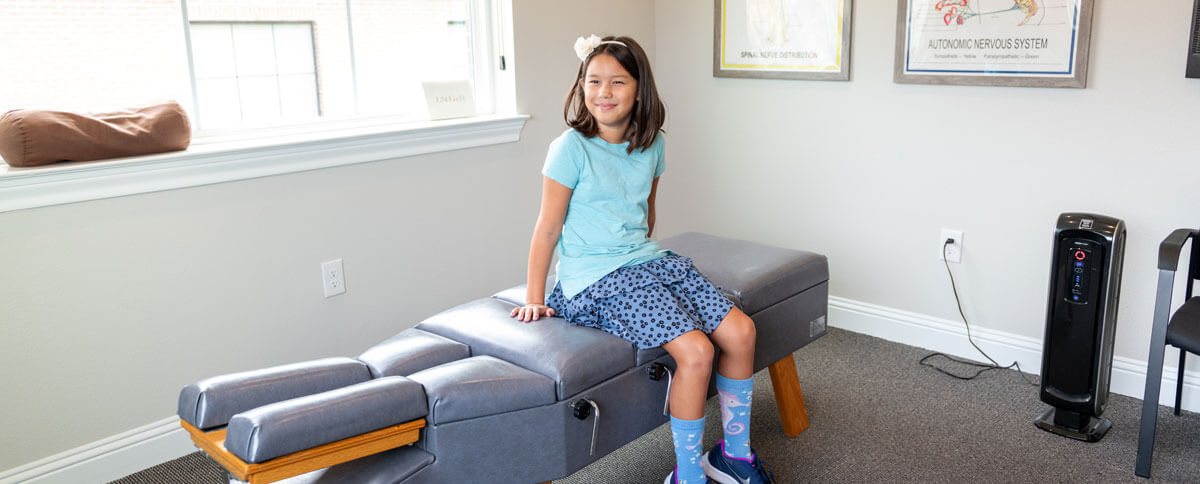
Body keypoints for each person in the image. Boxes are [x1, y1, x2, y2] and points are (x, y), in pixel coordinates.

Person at [509, 34, 776, 484]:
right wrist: (535, 296)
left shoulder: (653, 145)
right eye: (593, 81)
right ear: (580, 87)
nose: (603, 93)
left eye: (616, 82)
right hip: (593, 279)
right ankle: (687, 476)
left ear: (639, 89)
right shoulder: (570, 148)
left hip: (647, 262)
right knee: (695, 351)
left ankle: (733, 456)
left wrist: (648, 268)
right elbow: (547, 228)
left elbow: (645, 215)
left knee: (742, 331)